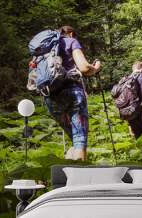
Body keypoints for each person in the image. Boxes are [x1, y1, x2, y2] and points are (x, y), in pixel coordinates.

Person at [43, 26, 101, 161]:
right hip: (72, 93)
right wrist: (96, 67)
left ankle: (68, 174)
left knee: (76, 139)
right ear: (71, 33)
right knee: (80, 138)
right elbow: (85, 68)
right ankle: (80, 180)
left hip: (50, 97)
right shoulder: (71, 41)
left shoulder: (45, 48)